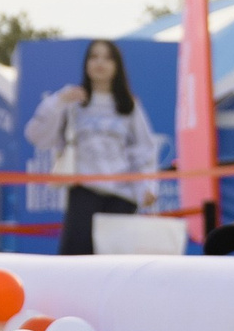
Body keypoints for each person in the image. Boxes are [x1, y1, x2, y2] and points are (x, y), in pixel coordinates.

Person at [24, 38, 161, 254]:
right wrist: (59, 100)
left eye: (107, 58)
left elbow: (144, 149)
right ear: (86, 63)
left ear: (117, 65)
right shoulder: (72, 101)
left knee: (117, 268)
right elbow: (36, 135)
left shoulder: (129, 105)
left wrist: (147, 187)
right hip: (83, 192)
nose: (100, 63)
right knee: (75, 264)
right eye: (94, 57)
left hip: (122, 197)